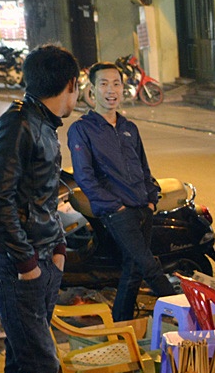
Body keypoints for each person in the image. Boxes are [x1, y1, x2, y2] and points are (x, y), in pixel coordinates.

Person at [0, 46, 81, 373]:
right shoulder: (17, 124)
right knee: (40, 364)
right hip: (16, 265)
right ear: (71, 84)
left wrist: (58, 248)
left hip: (40, 259)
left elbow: (41, 196)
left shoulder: (41, 122)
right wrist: (27, 264)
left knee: (23, 359)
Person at [68, 61, 174, 322]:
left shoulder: (129, 128)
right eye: (104, 84)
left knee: (133, 270)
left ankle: (120, 325)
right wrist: (115, 207)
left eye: (116, 84)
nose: (111, 90)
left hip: (143, 209)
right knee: (149, 266)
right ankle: (186, 314)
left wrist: (151, 199)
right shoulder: (82, 129)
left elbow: (143, 168)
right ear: (92, 90)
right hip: (117, 213)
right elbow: (85, 176)